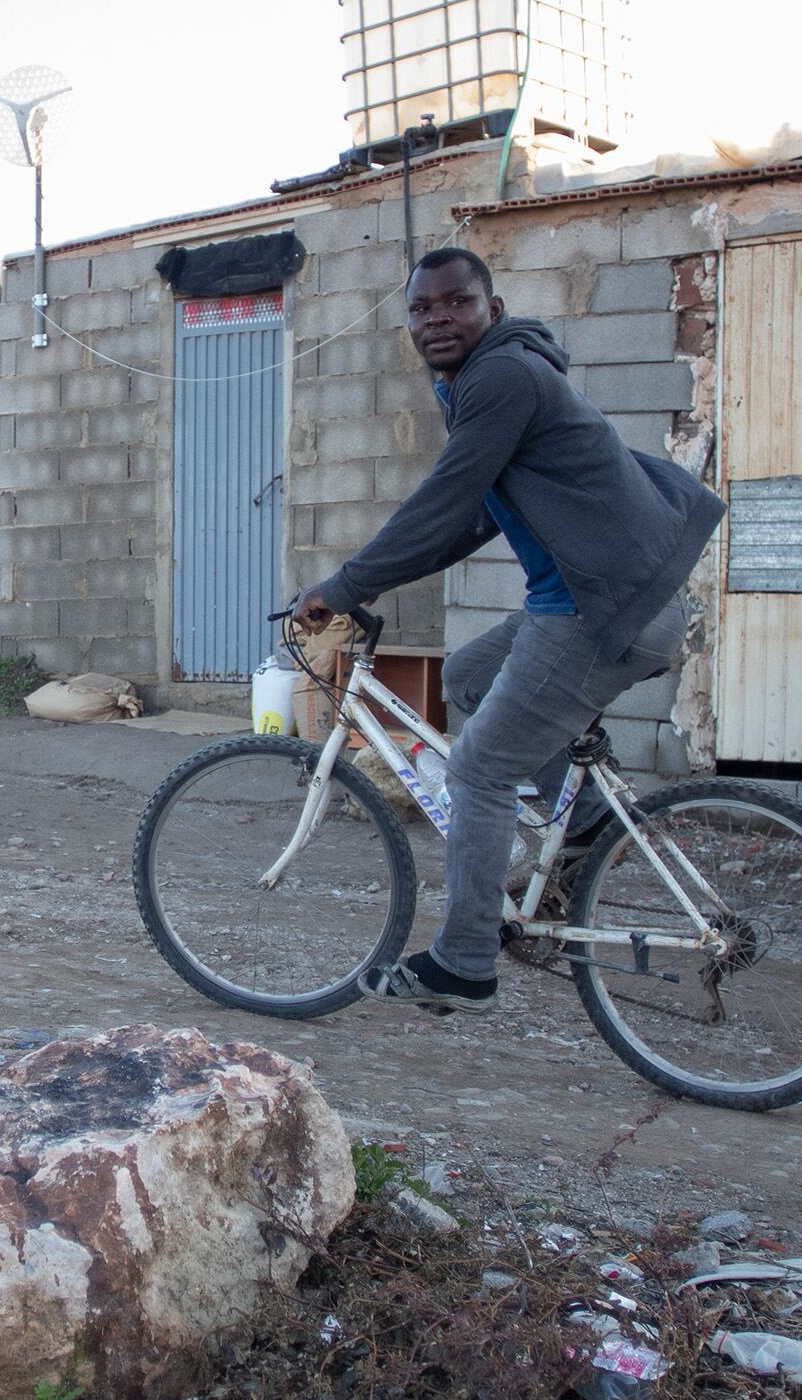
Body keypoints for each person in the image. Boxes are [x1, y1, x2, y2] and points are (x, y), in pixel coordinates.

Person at [293, 245, 724, 1015]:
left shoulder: (501, 375)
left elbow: (442, 499)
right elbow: (474, 515)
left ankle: (465, 963)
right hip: (602, 596)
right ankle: (587, 827)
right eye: (422, 309)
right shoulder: (482, 381)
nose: (437, 319)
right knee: (467, 677)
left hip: (603, 608)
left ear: (490, 308)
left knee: (479, 772)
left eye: (455, 302)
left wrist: (345, 584)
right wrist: (372, 577)